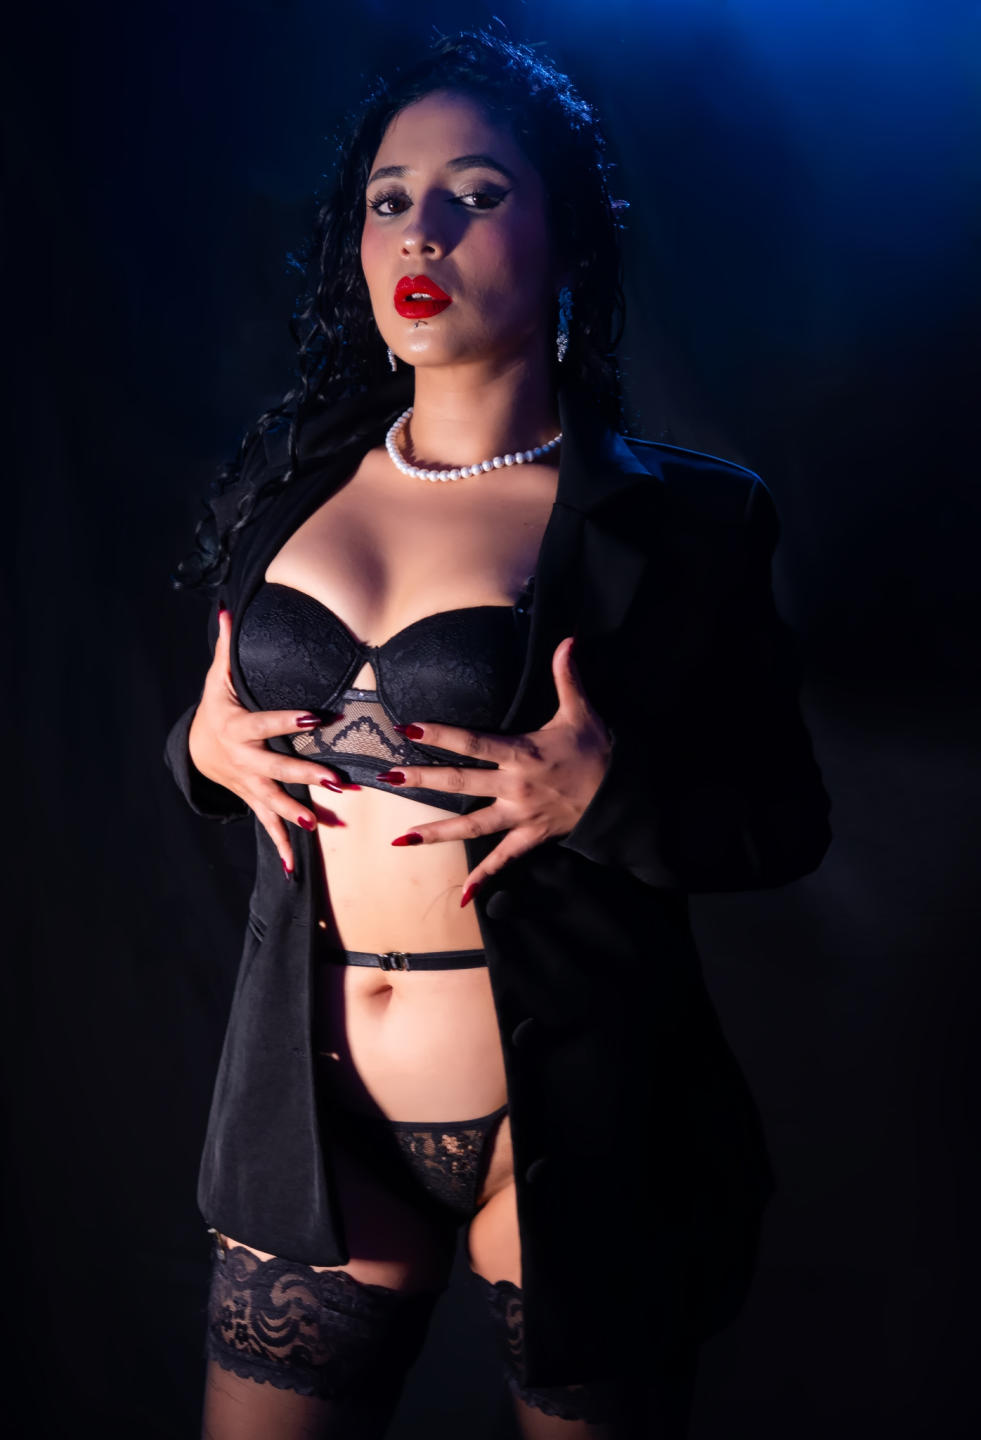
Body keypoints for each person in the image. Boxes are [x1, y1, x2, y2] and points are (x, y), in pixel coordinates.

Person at [164, 29, 832, 1440]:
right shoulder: (286, 492)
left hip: (573, 1123)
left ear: (568, 239)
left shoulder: (683, 522)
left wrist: (609, 794)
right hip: (312, 1110)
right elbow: (224, 729)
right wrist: (199, 756)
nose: (425, 229)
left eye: (476, 193)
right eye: (390, 198)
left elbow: (785, 823)